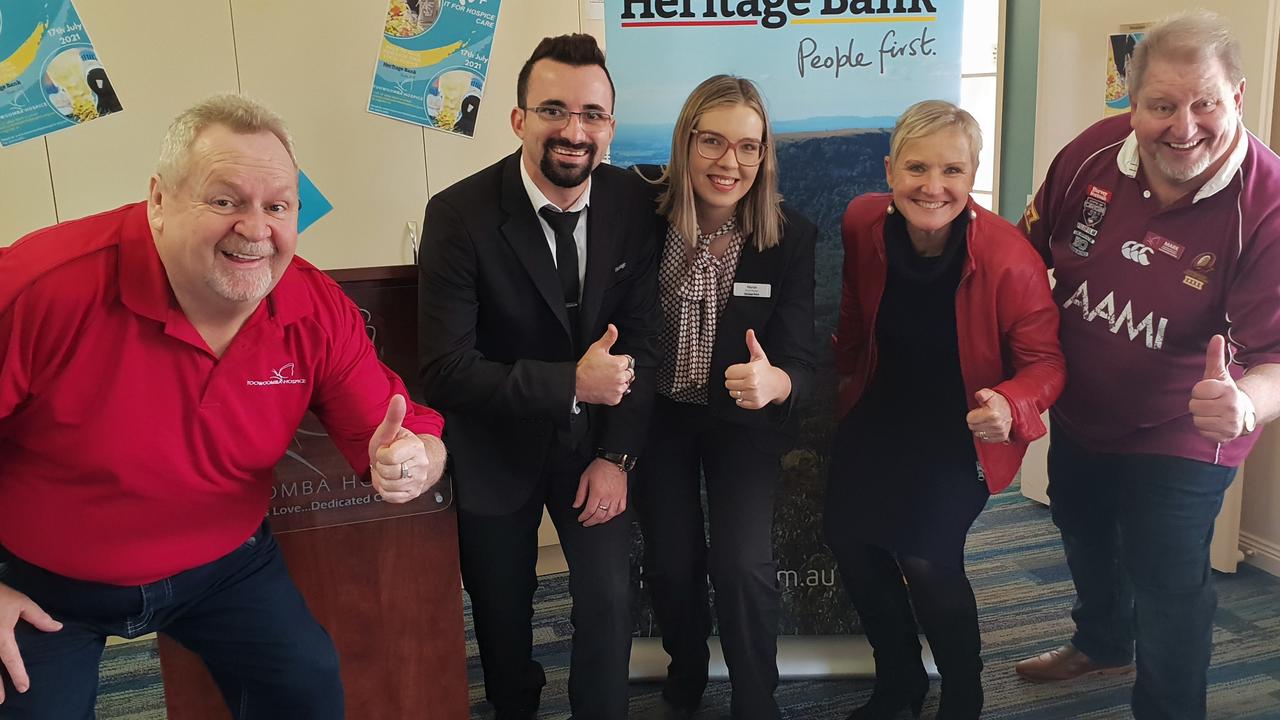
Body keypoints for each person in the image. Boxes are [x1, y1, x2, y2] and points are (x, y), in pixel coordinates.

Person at [0, 94, 447, 718]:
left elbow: (398, 430)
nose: (256, 229)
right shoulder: (41, 285)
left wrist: (415, 459)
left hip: (224, 567)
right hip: (43, 580)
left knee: (308, 685)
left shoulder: (313, 307)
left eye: (278, 207)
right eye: (225, 200)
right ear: (158, 201)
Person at [1014, 11, 1280, 720]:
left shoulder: (1268, 204)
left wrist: (1247, 402)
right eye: (1162, 106)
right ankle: (1101, 640)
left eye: (1205, 104)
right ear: (1131, 105)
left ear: (1238, 97)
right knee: (1079, 519)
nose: (1184, 127)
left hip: (1189, 422)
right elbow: (1022, 256)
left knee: (1167, 574)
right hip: (1084, 399)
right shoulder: (1092, 155)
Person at [416, 34, 662, 720]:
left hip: (596, 446)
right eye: (554, 109)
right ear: (519, 118)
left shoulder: (633, 202)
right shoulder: (458, 216)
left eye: (592, 114)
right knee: (501, 609)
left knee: (612, 599)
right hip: (495, 449)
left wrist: (617, 457)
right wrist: (568, 384)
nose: (574, 130)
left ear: (610, 126)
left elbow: (645, 340)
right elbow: (444, 370)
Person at [829, 100, 1066, 720]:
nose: (933, 187)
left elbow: (1047, 363)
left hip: (964, 427)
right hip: (881, 410)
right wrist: (832, 383)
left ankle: (964, 692)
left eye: (953, 171)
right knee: (851, 540)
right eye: (916, 167)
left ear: (973, 175)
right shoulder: (861, 222)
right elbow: (856, 317)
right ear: (889, 169)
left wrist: (1010, 404)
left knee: (926, 556)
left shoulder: (1010, 258)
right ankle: (900, 679)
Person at [630, 75, 816, 720]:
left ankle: (754, 699)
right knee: (674, 562)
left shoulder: (789, 236)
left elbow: (802, 360)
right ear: (685, 143)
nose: (729, 162)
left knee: (740, 566)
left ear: (764, 156)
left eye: (748, 147)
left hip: (741, 422)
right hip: (657, 419)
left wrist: (777, 383)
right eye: (712, 142)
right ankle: (686, 674)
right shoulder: (640, 218)